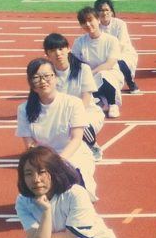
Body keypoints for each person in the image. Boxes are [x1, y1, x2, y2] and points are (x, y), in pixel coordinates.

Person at [17, 58, 98, 200]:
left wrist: (57, 162)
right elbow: (30, 145)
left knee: (75, 190)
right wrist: (44, 162)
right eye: (36, 77)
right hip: (43, 158)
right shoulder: (24, 109)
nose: (43, 81)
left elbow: (76, 139)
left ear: (55, 78)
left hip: (72, 154)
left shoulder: (73, 103)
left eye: (47, 76)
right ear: (31, 83)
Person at [43, 33, 105, 160]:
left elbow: (86, 100)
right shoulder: (46, 73)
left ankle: (93, 145)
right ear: (47, 54)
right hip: (59, 114)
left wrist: (69, 118)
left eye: (61, 49)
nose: (58, 53)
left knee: (78, 123)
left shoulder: (83, 69)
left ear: (68, 49)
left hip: (86, 112)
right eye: (53, 50)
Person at [71, 6, 124, 119]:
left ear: (98, 19)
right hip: (89, 77)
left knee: (102, 75)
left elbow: (109, 64)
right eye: (84, 22)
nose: (88, 24)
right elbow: (74, 63)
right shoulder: (79, 42)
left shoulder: (111, 40)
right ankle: (101, 101)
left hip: (111, 75)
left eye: (90, 20)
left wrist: (89, 74)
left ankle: (112, 103)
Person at [94, 0, 140, 94]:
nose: (104, 13)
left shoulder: (120, 24)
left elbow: (121, 44)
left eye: (107, 10)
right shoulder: (96, 26)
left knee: (120, 62)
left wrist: (110, 56)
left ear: (111, 11)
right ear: (97, 13)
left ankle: (131, 83)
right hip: (104, 54)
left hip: (123, 53)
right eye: (101, 10)